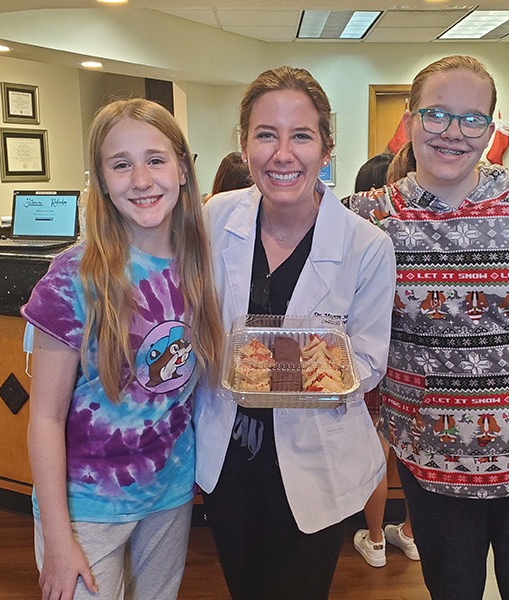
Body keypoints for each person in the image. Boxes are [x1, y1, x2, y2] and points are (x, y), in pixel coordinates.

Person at [347, 55, 509, 600]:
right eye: (437, 114)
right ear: (411, 120)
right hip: (429, 454)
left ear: (490, 129)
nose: (452, 133)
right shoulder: (369, 219)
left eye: (472, 119)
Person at [195, 66, 396, 600]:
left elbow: (370, 361)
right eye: (266, 135)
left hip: (316, 459)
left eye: (301, 135)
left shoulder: (367, 245)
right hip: (230, 457)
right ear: (245, 146)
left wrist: (283, 369)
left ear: (327, 148)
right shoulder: (215, 218)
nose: (283, 154)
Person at [23, 98, 224, 600]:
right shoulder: (73, 278)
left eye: (155, 159)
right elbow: (44, 417)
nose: (141, 179)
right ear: (101, 180)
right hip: (86, 507)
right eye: (121, 164)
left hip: (169, 493)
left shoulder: (202, 266)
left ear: (182, 168)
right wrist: (57, 537)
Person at [349, 151, 420, 569]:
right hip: (414, 362)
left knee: (377, 450)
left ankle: (375, 540)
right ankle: (410, 533)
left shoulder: (362, 229)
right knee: (411, 452)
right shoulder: (418, 228)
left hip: (371, 357)